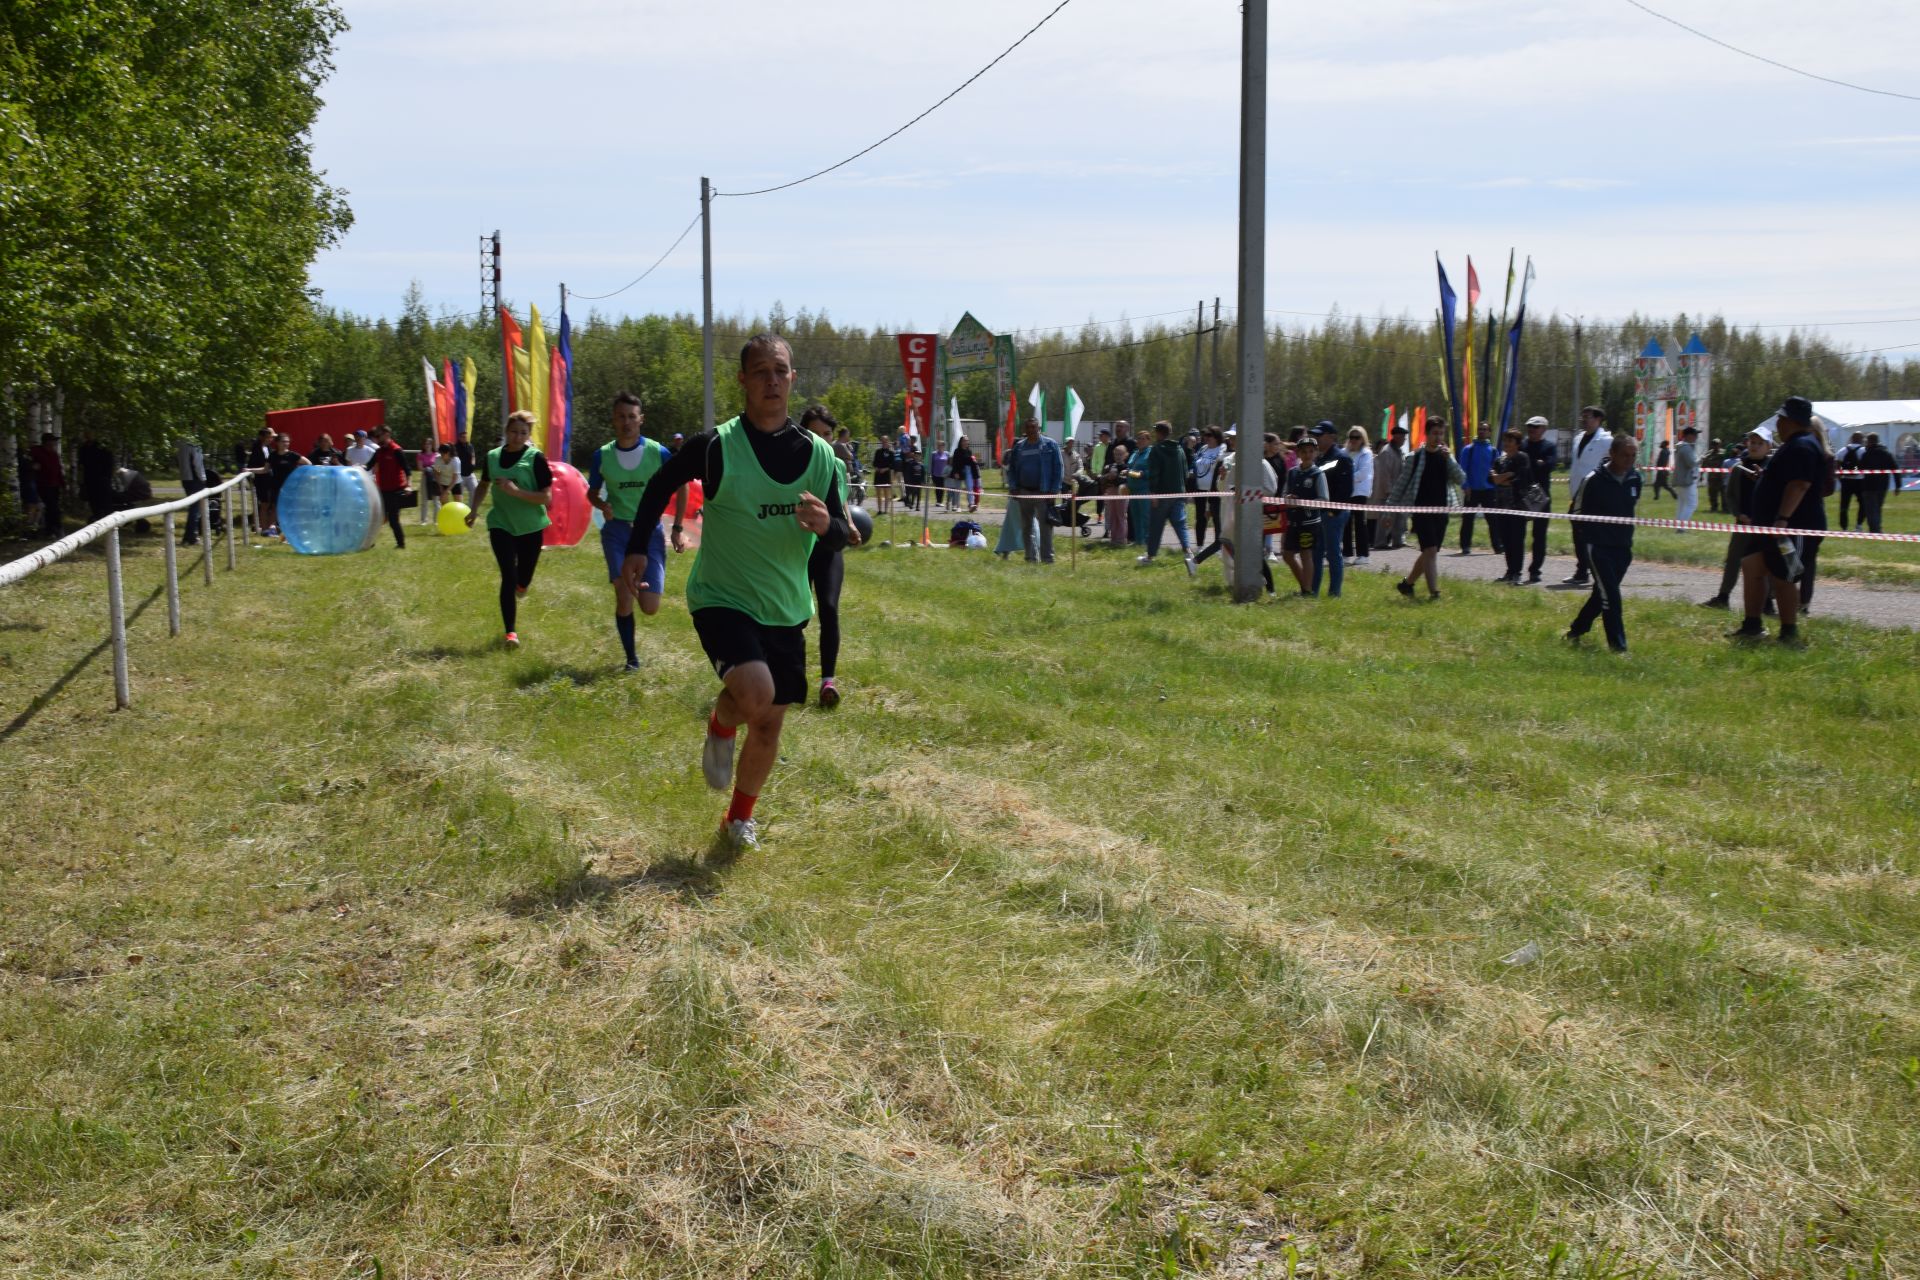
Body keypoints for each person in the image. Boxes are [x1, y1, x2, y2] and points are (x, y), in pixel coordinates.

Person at [620, 333, 848, 852]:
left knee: (768, 725)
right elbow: (658, 487)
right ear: (743, 380)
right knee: (754, 693)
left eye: (781, 370)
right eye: (761, 371)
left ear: (792, 378)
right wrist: (638, 549)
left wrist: (824, 525)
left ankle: (738, 819)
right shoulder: (716, 447)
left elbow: (840, 535)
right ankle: (721, 722)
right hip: (723, 598)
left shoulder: (819, 456)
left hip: (787, 607)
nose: (772, 379)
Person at [587, 393, 685, 670]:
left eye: (632, 416)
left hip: (650, 532)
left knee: (650, 607)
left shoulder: (658, 453)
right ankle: (631, 659)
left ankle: (641, 591)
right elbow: (591, 492)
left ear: (641, 419)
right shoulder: (602, 456)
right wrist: (602, 504)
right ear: (613, 420)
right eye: (621, 416)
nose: (626, 422)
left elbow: (682, 485)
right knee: (624, 595)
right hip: (617, 531)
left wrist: (676, 527)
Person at [1729, 396, 1826, 646]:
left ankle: (1789, 633)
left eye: (1781, 419)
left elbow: (1800, 484)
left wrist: (1783, 519)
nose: (1778, 425)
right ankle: (1752, 626)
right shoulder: (1794, 445)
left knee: (1784, 577)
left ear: (1792, 421)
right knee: (1752, 566)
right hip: (1770, 528)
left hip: (1793, 527)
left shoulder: (1802, 446)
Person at [467, 410, 553, 648]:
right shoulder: (493, 457)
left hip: (531, 527)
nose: (517, 437)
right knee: (508, 575)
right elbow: (483, 485)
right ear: (506, 432)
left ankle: (522, 585)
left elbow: (546, 498)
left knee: (523, 578)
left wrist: (516, 492)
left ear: (529, 435)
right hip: (501, 524)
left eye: (523, 433)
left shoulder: (536, 458)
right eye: (513, 432)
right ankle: (510, 633)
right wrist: (473, 509)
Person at [801, 405, 861, 706]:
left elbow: (841, 501)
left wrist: (848, 524)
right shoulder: (792, 462)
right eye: (815, 434)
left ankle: (828, 682)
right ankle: (789, 676)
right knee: (795, 613)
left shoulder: (836, 464)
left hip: (827, 549)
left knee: (829, 607)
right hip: (796, 548)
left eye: (826, 435)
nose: (822, 441)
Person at [1564, 436, 1643, 653]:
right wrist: (1588, 538)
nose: (1629, 459)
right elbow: (1576, 513)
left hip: (1623, 547)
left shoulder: (1635, 478)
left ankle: (1576, 630)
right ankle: (1618, 648)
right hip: (1598, 547)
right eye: (1625, 455)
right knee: (1612, 597)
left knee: (1602, 595)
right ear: (1613, 454)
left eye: (1633, 455)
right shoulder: (1593, 479)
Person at [1193, 431, 1277, 595]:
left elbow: (1271, 489)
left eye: (1235, 437)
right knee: (1228, 549)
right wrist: (1223, 478)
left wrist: (1246, 492)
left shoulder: (1259, 462)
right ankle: (1235, 584)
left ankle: (1269, 588)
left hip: (1252, 514)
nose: (1231, 441)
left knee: (1253, 552)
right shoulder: (1228, 460)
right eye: (1230, 438)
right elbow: (1221, 488)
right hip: (1230, 514)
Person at [1390, 419, 1466, 600]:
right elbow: (1400, 485)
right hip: (1421, 512)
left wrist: (1450, 460)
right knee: (1430, 551)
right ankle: (1434, 593)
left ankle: (1407, 584)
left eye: (1441, 433)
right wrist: (1388, 511)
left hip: (1441, 512)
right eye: (1434, 433)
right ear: (1427, 434)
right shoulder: (1414, 457)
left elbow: (1461, 478)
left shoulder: (1447, 456)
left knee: (1429, 553)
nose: (1438, 437)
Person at [1700, 425, 1772, 609]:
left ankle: (1768, 602)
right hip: (1742, 524)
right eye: (1752, 442)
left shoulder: (1772, 469)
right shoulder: (1738, 468)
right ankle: (1723, 596)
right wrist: (1738, 513)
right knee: (1733, 560)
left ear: (1768, 446)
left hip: (1765, 526)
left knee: (1767, 563)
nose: (1754, 446)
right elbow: (1730, 495)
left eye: (1759, 443)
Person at [1560, 406, 1613, 587]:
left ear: (1598, 419)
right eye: (1582, 416)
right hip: (1577, 494)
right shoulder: (1578, 438)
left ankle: (1599, 570)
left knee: (1593, 535)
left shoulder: (1606, 440)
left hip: (1595, 495)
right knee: (1578, 533)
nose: (1583, 420)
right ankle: (1582, 571)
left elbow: (1617, 460)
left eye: (1587, 417)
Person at [1004, 416, 1064, 565]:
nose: (1031, 430)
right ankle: (1030, 558)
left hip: (1043, 492)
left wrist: (1054, 490)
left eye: (1034, 427)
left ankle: (1047, 559)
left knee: (1045, 527)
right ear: (1025, 429)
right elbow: (1012, 470)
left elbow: (1058, 468)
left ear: (1039, 428)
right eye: (1028, 427)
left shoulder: (1050, 445)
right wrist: (1014, 487)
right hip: (1024, 492)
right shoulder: (1019, 447)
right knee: (1026, 527)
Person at [1139, 420, 1196, 573]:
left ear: (1158, 433)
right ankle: (1189, 554)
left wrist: (1153, 493)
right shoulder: (1179, 449)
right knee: (1180, 524)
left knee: (1156, 526)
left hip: (1162, 494)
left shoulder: (1156, 450)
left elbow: (1154, 473)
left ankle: (1150, 557)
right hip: (1178, 493)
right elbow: (1185, 473)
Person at [1307, 422, 1351, 597]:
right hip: (1319, 513)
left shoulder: (1342, 458)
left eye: (1320, 435)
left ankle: (1334, 592)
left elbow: (1345, 490)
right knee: (1316, 554)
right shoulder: (1318, 458)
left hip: (1334, 513)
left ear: (1332, 437)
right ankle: (1313, 590)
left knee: (1333, 553)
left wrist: (1333, 511)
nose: (1316, 438)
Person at [1280, 433, 1327, 594]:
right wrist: (1288, 498)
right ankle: (1305, 586)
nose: (1307, 455)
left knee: (1306, 555)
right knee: (1287, 555)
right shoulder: (1292, 472)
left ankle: (1307, 591)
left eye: (1310, 451)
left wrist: (1305, 503)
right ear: (1298, 454)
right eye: (1304, 452)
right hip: (1293, 522)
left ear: (1316, 453)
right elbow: (1284, 493)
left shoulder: (1318, 474)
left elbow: (1324, 500)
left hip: (1309, 523)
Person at [1488, 427, 1534, 584]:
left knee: (1517, 539)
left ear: (1517, 443)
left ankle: (1517, 573)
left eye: (1510, 440)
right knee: (1506, 539)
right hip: (1501, 505)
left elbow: (1520, 479)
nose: (1506, 443)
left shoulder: (1522, 458)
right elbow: (1491, 479)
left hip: (1518, 506)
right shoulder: (1500, 459)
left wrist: (1501, 478)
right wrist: (1505, 476)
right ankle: (1509, 571)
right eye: (1505, 440)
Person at [1520, 415, 1558, 583]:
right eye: (1530, 427)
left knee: (1539, 535)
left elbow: (1550, 465)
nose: (1532, 430)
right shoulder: (1522, 445)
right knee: (1517, 533)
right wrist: (1537, 464)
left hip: (1541, 495)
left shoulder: (1549, 446)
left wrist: (1538, 465)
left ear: (1543, 429)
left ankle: (1535, 569)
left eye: (1536, 427)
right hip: (1522, 493)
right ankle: (1515, 569)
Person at [1456, 423, 1499, 555]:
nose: (1482, 431)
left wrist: (1496, 487)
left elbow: (1497, 470)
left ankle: (1498, 545)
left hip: (1488, 490)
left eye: (1485, 429)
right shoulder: (1468, 449)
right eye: (1480, 429)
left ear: (1489, 432)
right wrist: (1465, 486)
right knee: (1468, 520)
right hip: (1471, 490)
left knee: (1493, 519)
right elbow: (1462, 469)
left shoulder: (1493, 451)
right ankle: (1465, 546)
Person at [366, 424, 412, 548]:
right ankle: (370, 543)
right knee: (377, 517)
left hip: (396, 491)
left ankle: (401, 544)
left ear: (386, 435)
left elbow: (407, 470)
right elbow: (368, 466)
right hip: (383, 491)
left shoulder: (396, 450)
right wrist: (357, 468)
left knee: (393, 520)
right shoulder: (379, 452)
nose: (376, 438)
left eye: (378, 435)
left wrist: (409, 486)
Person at [1371, 424, 1407, 550]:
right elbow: (1384, 474)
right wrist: (1389, 491)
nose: (1405, 439)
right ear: (1396, 436)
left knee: (1398, 517)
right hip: (1388, 492)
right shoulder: (1387, 452)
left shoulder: (1399, 451)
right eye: (1403, 436)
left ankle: (1398, 540)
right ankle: (1380, 542)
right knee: (1385, 518)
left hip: (1398, 491)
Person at [264, 433, 307, 536]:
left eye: (287, 441)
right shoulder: (273, 455)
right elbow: (265, 469)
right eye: (283, 441)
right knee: (275, 508)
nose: (286, 444)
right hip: (276, 486)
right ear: (277, 443)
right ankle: (272, 529)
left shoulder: (293, 455)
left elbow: (308, 463)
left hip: (290, 486)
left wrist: (298, 473)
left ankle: (292, 529)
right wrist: (250, 469)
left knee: (291, 508)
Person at [1344, 426, 1373, 566]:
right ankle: (1346, 554)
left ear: (1363, 439)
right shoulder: (1344, 453)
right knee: (1346, 523)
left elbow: (1362, 474)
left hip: (1360, 492)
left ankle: (1363, 555)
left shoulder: (1366, 454)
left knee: (1360, 523)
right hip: (1346, 492)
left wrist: (1343, 478)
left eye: (1357, 437)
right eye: (1351, 437)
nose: (1354, 440)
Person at [1191, 427, 1225, 547]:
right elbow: (1195, 463)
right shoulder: (1203, 448)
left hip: (1214, 489)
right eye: (1205, 435)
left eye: (1209, 435)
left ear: (1217, 436)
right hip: (1199, 489)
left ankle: (1218, 547)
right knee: (1200, 518)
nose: (1206, 437)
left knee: (1216, 517)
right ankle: (1199, 546)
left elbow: (1221, 461)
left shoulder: (1222, 448)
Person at [1857, 432, 1897, 533]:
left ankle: (1874, 530)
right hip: (1883, 486)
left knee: (1871, 509)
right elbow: (1895, 469)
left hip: (1869, 485)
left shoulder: (1866, 454)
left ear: (1869, 441)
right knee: (1878, 507)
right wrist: (1898, 485)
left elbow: (1860, 468)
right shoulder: (1887, 453)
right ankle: (1877, 527)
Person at [29, 433, 63, 539]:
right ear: (46, 442)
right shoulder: (36, 452)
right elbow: (28, 464)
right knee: (53, 507)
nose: (53, 444)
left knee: (52, 507)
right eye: (51, 442)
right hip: (43, 485)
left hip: (55, 485)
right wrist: (33, 466)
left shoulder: (54, 455)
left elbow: (58, 470)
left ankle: (50, 530)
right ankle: (57, 529)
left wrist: (62, 483)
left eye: (54, 442)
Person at [78, 433, 117, 523]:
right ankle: (98, 519)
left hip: (102, 480)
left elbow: (109, 464)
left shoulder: (102, 448)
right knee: (94, 502)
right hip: (90, 480)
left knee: (105, 502)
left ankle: (109, 521)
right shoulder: (83, 449)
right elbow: (81, 465)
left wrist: (107, 477)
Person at [1101, 437, 1132, 546]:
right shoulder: (1111, 466)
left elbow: (1125, 480)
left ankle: (1122, 538)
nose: (1118, 456)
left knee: (1121, 515)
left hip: (1122, 493)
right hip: (1111, 492)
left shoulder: (1126, 467)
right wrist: (1108, 476)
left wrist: (1116, 477)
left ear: (1125, 455)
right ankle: (1114, 538)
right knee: (1112, 515)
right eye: (1116, 454)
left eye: (1120, 454)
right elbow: (1103, 478)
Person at [176, 436, 207, 545]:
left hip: (185, 478)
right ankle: (190, 536)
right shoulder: (193, 443)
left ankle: (191, 535)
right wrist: (203, 478)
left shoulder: (179, 442)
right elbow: (197, 463)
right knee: (195, 509)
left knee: (193, 508)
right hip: (195, 479)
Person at [1835, 431, 1866, 530]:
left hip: (1846, 480)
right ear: (1861, 439)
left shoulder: (1842, 450)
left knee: (1844, 505)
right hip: (1859, 480)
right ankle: (1859, 525)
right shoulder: (1863, 450)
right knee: (1863, 504)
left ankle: (1844, 527)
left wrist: (1840, 479)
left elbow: (1837, 466)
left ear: (1852, 439)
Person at [427, 443, 463, 524]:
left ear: (449, 453)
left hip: (455, 483)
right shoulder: (438, 459)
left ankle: (459, 522)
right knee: (444, 504)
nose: (441, 455)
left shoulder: (456, 461)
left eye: (443, 453)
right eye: (440, 453)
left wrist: (447, 491)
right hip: (443, 482)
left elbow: (455, 478)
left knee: (458, 504)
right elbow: (436, 473)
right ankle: (447, 522)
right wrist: (441, 488)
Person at [1672, 425, 1701, 521]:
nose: (1696, 437)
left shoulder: (1682, 447)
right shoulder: (1686, 448)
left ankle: (1679, 526)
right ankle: (1681, 527)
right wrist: (1701, 459)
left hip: (1681, 480)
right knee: (1692, 504)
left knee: (1682, 504)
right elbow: (1692, 463)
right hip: (1686, 480)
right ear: (1689, 436)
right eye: (1695, 435)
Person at [871, 435, 896, 515]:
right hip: (878, 474)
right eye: (882, 441)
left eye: (885, 441)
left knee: (886, 493)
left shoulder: (891, 452)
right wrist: (877, 468)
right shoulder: (878, 451)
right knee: (878, 493)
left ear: (888, 441)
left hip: (887, 474)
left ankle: (886, 510)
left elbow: (892, 464)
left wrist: (885, 469)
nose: (884, 442)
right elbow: (874, 463)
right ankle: (879, 510)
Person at [1706, 438, 1726, 512]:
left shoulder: (1724, 453)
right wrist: (1701, 475)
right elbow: (1704, 464)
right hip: (1712, 478)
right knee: (1712, 494)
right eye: (1714, 444)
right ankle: (1714, 507)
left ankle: (1725, 508)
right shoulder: (1709, 454)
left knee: (1724, 494)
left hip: (1721, 477)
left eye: (1717, 444)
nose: (1715, 446)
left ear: (1720, 444)